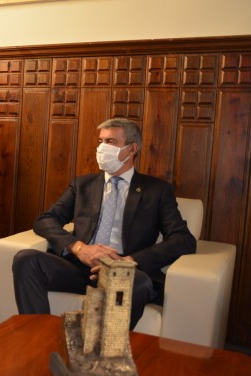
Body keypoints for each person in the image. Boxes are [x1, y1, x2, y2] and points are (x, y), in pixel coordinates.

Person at [12, 118, 197, 330]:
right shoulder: (83, 184)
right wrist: (79, 248)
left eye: (111, 142)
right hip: (79, 267)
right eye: (100, 141)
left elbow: (183, 239)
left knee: (137, 283)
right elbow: (45, 220)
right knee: (26, 259)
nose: (102, 148)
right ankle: (36, 340)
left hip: (123, 272)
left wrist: (129, 261)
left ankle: (101, 353)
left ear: (131, 149)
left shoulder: (156, 190)